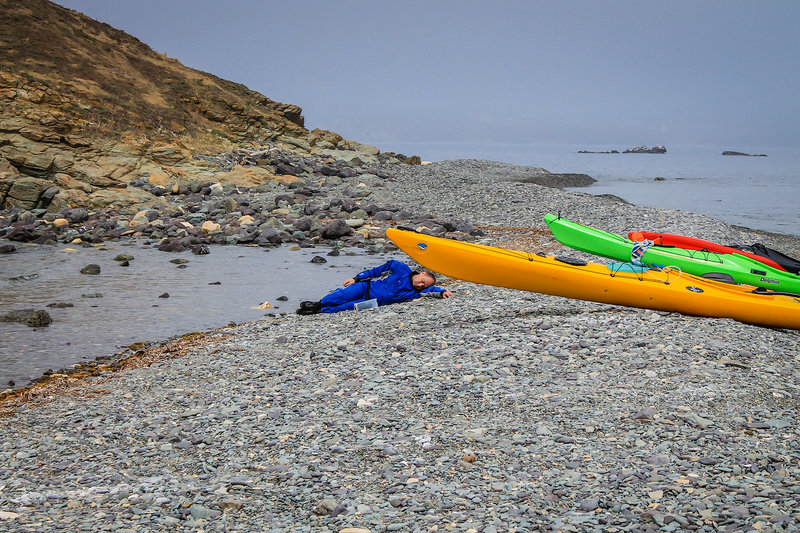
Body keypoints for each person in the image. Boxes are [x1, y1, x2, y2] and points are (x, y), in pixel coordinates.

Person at [296, 259, 454, 314]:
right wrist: (357, 278)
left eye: (422, 286)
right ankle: (318, 303)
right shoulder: (400, 268)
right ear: (423, 273)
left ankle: (317, 311)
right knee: (339, 296)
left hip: (372, 303)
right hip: (365, 287)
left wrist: (443, 292)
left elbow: (432, 290)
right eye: (422, 281)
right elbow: (377, 271)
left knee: (343, 307)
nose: (420, 285)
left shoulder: (413, 292)